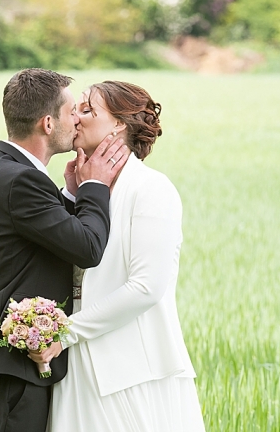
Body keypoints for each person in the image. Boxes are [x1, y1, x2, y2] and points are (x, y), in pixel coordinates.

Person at [0, 69, 130, 432]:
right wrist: (95, 185)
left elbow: (39, 242)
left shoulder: (3, 169)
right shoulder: (21, 179)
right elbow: (87, 247)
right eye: (72, 113)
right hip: (7, 369)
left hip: (5, 367)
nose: (78, 121)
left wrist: (68, 196)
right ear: (48, 123)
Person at [35, 81, 206, 431]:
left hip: (134, 369)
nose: (75, 119)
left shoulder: (151, 189)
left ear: (118, 125)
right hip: (76, 366)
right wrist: (71, 196)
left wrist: (64, 333)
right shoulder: (83, 190)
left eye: (88, 110)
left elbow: (146, 287)